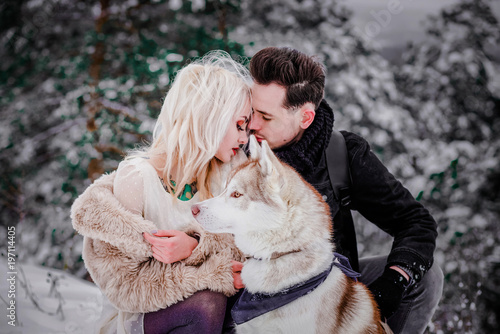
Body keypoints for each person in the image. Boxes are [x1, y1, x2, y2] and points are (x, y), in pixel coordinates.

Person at [244, 46, 444, 334]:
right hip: (255, 294)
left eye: (265, 116)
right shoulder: (236, 146)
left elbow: (416, 222)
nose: (251, 124)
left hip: (328, 289)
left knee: (426, 277)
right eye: (251, 111)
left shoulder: (340, 154)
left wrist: (394, 281)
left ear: (305, 118)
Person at [71, 51, 252, 334]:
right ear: (209, 118)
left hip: (214, 317)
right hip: (144, 318)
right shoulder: (138, 179)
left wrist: (194, 246)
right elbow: (124, 285)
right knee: (207, 304)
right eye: (239, 124)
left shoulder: (226, 173)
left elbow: (245, 247)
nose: (244, 138)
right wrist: (209, 272)